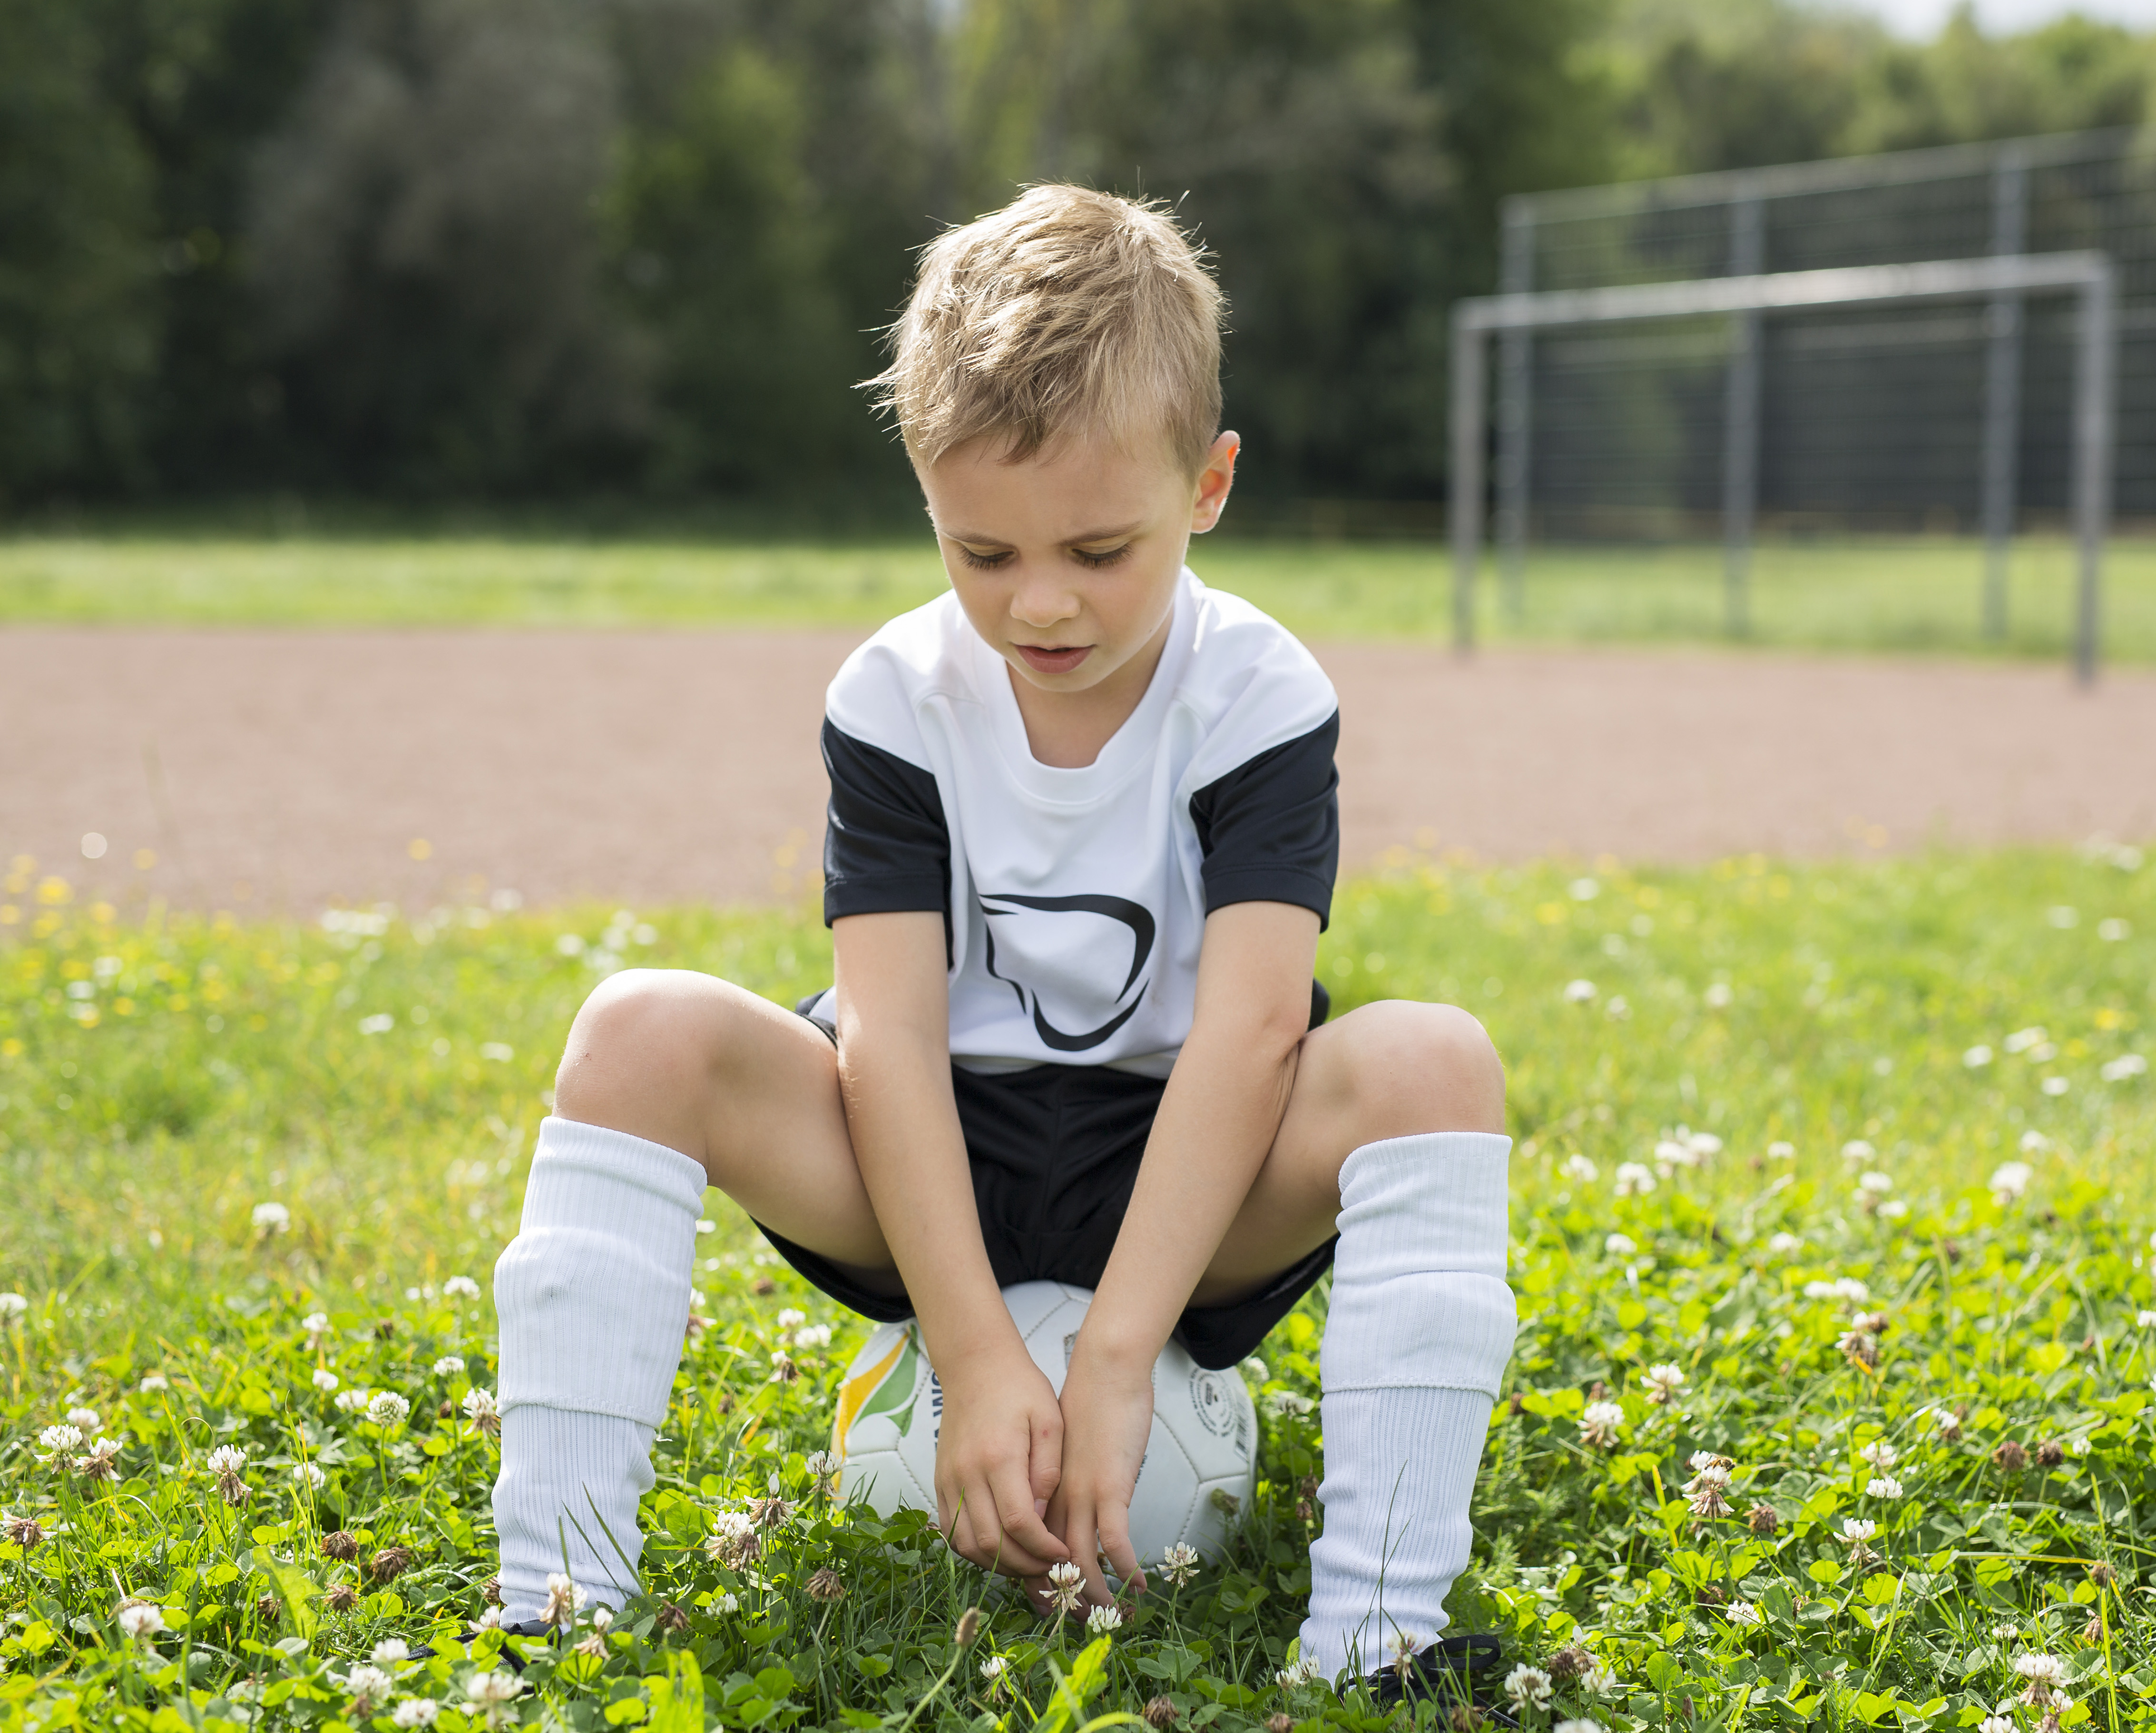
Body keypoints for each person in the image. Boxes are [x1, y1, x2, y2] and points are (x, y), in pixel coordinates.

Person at [487, 184, 1515, 1692]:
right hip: (925, 1161)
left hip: (1186, 1161)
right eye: (984, 554)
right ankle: (555, 1611)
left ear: (1210, 485)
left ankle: (1375, 1637)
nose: (1041, 602)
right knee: (636, 1029)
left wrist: (1113, 1360)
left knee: (1436, 1059)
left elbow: (1251, 1036)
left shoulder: (1259, 695)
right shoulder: (896, 696)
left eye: (1101, 550)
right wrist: (973, 1353)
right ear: (927, 504)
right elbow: (885, 1036)